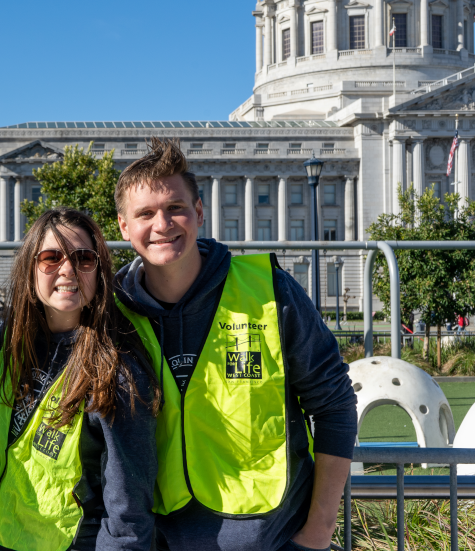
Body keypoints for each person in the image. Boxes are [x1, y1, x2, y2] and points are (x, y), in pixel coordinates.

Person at [112, 138, 357, 551]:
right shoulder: (113, 313)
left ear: (199, 212)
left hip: (274, 540)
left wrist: (317, 533)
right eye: (145, 214)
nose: (162, 224)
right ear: (124, 226)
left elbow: (334, 405)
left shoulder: (269, 290)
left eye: (175, 208)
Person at [0, 208, 158, 551]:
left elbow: (128, 509)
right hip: (4, 536)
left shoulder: (118, 369)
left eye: (83, 258)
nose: (67, 269)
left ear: (99, 272)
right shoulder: (10, 344)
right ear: (30, 270)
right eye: (51, 258)